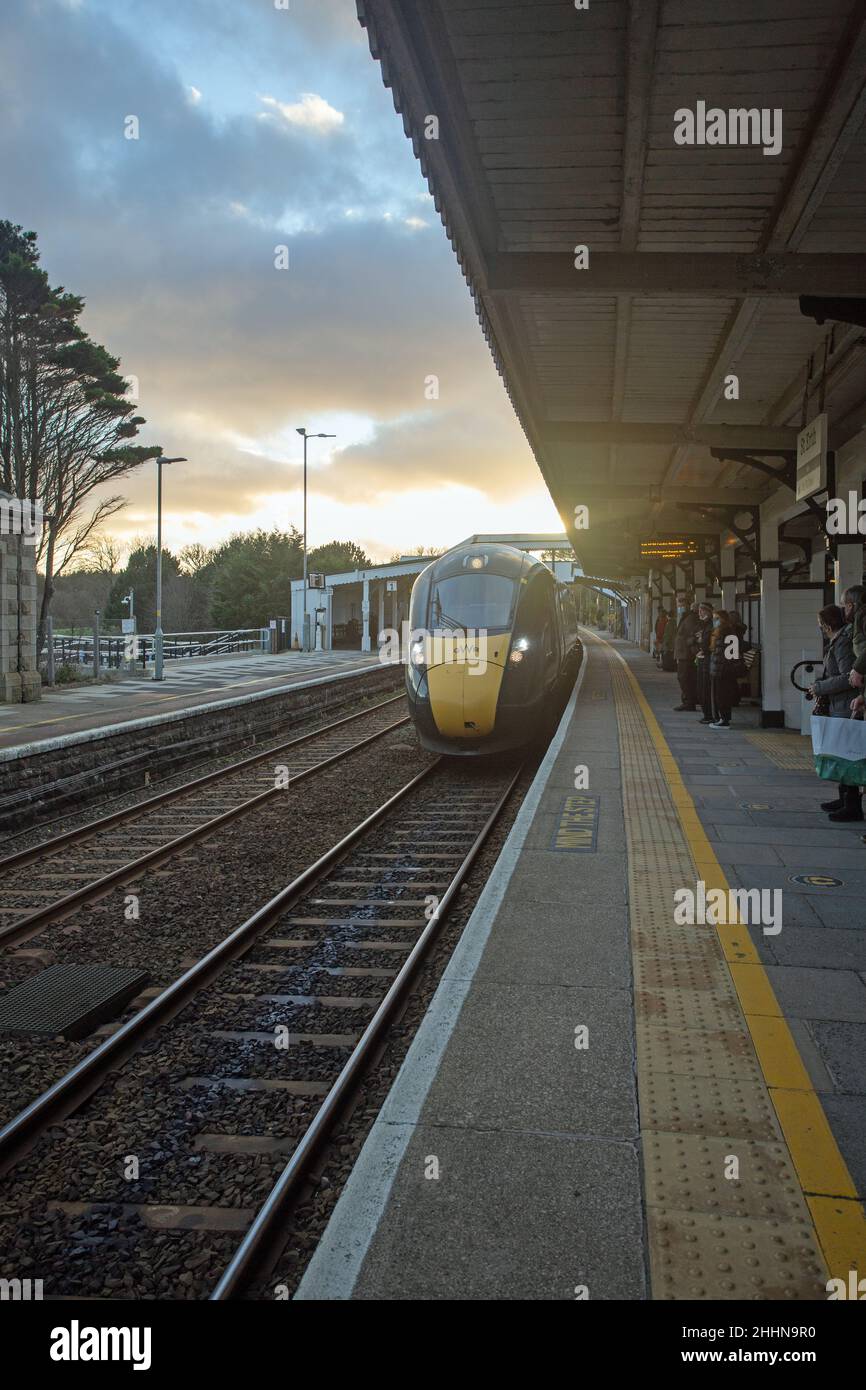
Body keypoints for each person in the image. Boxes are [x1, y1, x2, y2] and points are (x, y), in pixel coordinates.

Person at [809, 603, 860, 821]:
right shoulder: (838, 641)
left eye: (821, 624)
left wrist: (819, 687)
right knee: (842, 753)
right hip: (840, 704)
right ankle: (845, 799)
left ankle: (852, 806)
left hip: (845, 705)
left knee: (847, 755)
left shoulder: (841, 644)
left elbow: (847, 677)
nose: (820, 628)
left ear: (828, 625)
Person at [708, 609, 745, 728]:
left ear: (723, 619)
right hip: (718, 669)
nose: (715, 621)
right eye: (714, 619)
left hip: (723, 671)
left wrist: (724, 668)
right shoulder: (719, 632)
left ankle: (724, 720)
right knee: (719, 695)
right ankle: (721, 718)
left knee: (723, 696)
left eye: (717, 619)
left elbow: (732, 654)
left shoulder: (728, 633)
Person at [673, 599, 703, 711]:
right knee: (686, 678)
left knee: (684, 678)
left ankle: (689, 702)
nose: (679, 607)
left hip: (686, 654)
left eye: (681, 605)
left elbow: (691, 635)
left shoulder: (690, 618)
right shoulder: (686, 617)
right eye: (678, 605)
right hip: (684, 653)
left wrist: (688, 644)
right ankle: (688, 701)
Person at [694, 600, 715, 724]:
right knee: (702, 688)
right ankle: (707, 714)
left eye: (702, 610)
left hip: (707, 661)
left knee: (705, 688)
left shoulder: (710, 625)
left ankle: (709, 715)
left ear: (708, 612)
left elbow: (707, 645)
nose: (700, 612)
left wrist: (701, 640)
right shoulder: (705, 625)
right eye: (699, 610)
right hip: (704, 660)